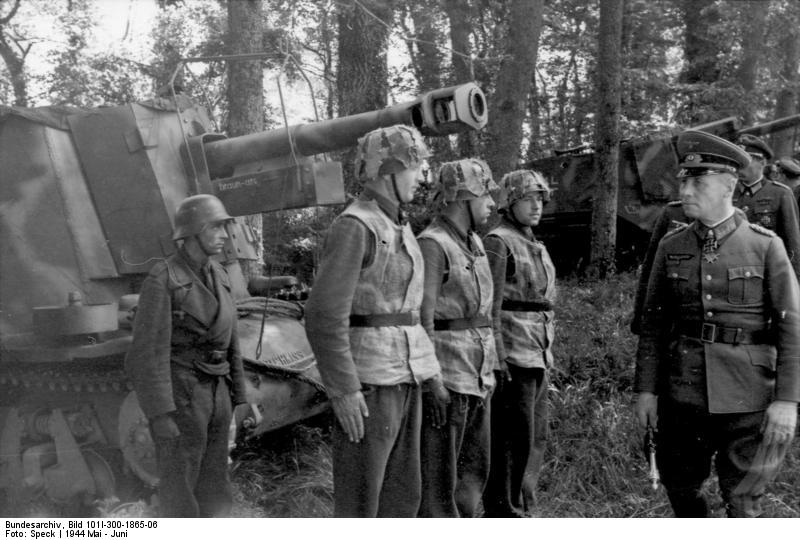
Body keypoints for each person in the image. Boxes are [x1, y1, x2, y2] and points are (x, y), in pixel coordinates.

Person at [635, 130, 800, 517]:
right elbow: (653, 326)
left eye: (698, 182)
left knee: (743, 499)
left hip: (748, 395)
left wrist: (788, 401)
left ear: (728, 186)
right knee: (680, 487)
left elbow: (792, 330)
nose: (686, 190)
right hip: (683, 393)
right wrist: (646, 391)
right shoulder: (670, 245)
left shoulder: (765, 245)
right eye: (684, 181)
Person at [304, 124, 445, 518]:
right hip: (370, 387)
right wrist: (344, 390)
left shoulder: (398, 224)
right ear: (388, 170)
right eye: (415, 167)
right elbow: (323, 315)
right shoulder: (356, 225)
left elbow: (410, 312)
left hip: (406, 376)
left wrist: (430, 374)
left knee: (403, 496)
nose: (423, 177)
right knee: (362, 502)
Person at [125, 194, 247, 518]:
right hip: (182, 395)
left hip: (218, 392)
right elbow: (146, 354)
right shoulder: (164, 278)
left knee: (217, 484)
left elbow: (231, 338)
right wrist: (160, 414)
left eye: (225, 227)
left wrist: (238, 395)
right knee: (180, 488)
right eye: (217, 227)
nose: (225, 234)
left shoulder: (220, 274)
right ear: (193, 231)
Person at [416, 158, 499, 518]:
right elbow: (422, 319)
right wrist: (432, 381)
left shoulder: (476, 242)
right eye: (485, 195)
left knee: (472, 477)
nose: (492, 203)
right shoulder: (432, 244)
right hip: (448, 381)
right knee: (439, 485)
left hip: (479, 377)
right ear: (465, 197)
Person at [482, 169, 556, 518]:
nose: (536, 205)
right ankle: (504, 512)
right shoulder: (498, 241)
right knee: (512, 441)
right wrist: (497, 357)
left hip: (538, 351)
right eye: (528, 198)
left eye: (540, 198)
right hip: (512, 355)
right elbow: (489, 306)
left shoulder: (533, 242)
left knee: (534, 438)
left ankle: (523, 507)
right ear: (510, 202)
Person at [733, 133, 800, 278]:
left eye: (745, 162)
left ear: (762, 163)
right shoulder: (728, 192)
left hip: (768, 277)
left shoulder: (781, 194)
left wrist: (794, 284)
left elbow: (793, 245)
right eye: (737, 162)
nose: (739, 168)